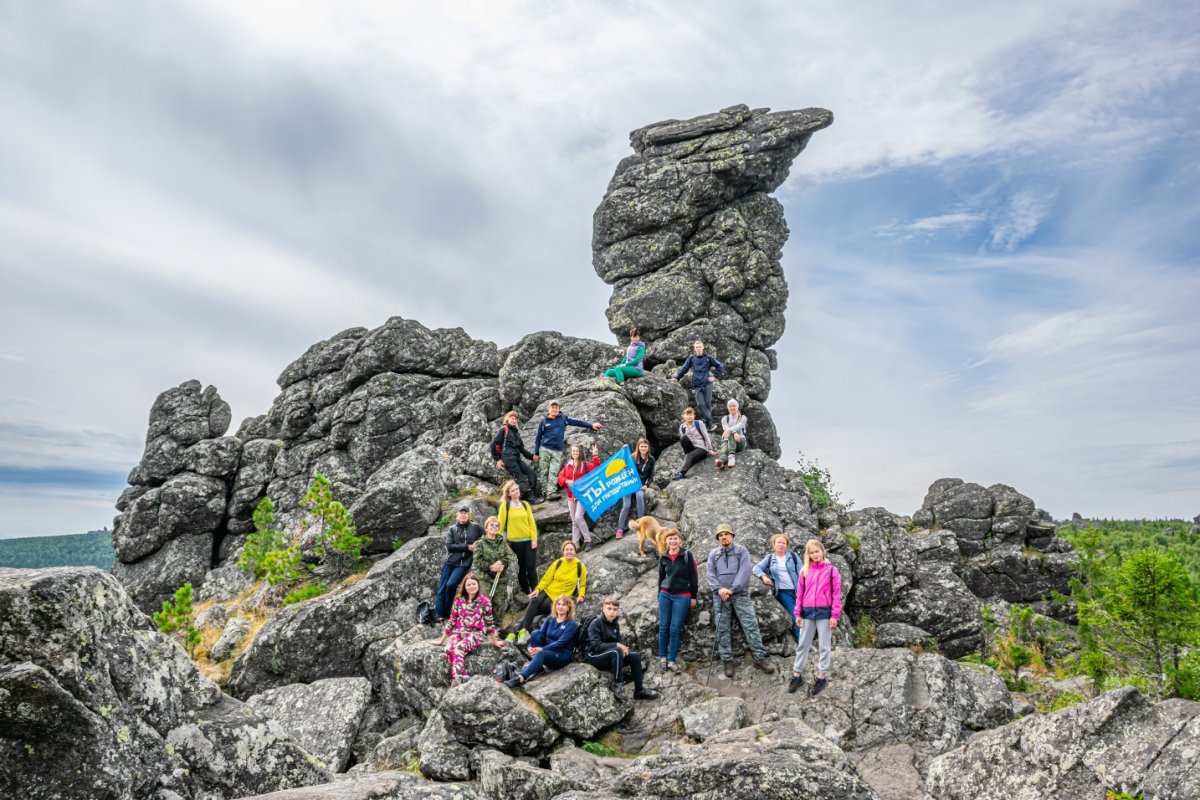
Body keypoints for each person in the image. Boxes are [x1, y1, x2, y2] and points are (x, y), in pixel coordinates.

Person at [707, 523, 776, 677]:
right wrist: (720, 589)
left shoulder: (741, 550)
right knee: (722, 628)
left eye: (726, 534)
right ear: (718, 538)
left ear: (732, 535)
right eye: (720, 535)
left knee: (750, 625)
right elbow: (710, 574)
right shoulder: (713, 554)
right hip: (720, 596)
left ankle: (760, 657)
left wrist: (731, 589)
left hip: (739, 595)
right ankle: (727, 660)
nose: (724, 537)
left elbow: (744, 572)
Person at [429, 573, 504, 686]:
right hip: (460, 632)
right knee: (448, 649)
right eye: (468, 584)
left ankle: (457, 679)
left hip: (476, 633)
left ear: (478, 585)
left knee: (459, 648)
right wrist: (441, 640)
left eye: (474, 584)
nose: (471, 586)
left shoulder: (485, 602)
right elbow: (452, 621)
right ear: (464, 587)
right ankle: (463, 674)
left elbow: (490, 623)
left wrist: (495, 641)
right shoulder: (459, 601)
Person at [789, 539, 843, 697]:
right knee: (803, 644)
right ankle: (797, 675)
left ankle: (822, 677)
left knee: (824, 646)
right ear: (808, 554)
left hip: (824, 613)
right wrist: (797, 613)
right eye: (811, 552)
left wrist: (835, 615)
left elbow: (836, 594)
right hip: (807, 612)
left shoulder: (832, 570)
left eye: (817, 551)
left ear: (822, 551)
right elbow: (799, 594)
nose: (814, 555)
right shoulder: (805, 571)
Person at [583, 596, 659, 699]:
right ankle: (618, 685)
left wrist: (623, 649)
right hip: (593, 656)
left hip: (610, 654)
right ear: (603, 609)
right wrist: (618, 646)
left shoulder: (615, 624)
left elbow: (617, 642)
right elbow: (596, 646)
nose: (612, 612)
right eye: (609, 609)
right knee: (616, 651)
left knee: (634, 656)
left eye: (615, 609)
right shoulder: (595, 623)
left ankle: (639, 691)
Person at [513, 540, 588, 642]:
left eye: (571, 550)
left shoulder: (580, 567)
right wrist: (538, 589)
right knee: (534, 601)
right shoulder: (558, 563)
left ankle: (515, 633)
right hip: (548, 590)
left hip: (559, 596)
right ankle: (524, 631)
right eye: (567, 550)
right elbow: (546, 579)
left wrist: (581, 595)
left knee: (536, 609)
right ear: (563, 551)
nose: (569, 552)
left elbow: (582, 584)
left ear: (575, 552)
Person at [503, 595, 578, 689]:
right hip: (548, 650)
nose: (560, 607)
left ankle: (520, 679)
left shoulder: (571, 624)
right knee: (535, 633)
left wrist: (541, 649)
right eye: (558, 604)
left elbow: (561, 642)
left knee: (541, 653)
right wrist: (530, 646)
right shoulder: (550, 619)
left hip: (562, 654)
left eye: (564, 605)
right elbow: (540, 634)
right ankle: (537, 667)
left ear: (569, 608)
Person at [534, 401, 601, 501]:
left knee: (553, 471)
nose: (554, 409)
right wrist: (536, 453)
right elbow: (538, 437)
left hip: (557, 450)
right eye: (552, 408)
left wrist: (590, 425)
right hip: (545, 449)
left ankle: (551, 492)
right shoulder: (544, 421)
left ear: (559, 409)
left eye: (556, 408)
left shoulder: (563, 418)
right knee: (544, 471)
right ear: (549, 409)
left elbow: (577, 422)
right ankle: (545, 493)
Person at [657, 530, 698, 672]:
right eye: (669, 539)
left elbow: (693, 577)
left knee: (675, 628)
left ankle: (672, 659)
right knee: (663, 627)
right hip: (665, 595)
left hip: (682, 596)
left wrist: (693, 596)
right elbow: (661, 578)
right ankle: (662, 658)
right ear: (666, 541)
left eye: (675, 538)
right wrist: (659, 595)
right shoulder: (663, 557)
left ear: (680, 540)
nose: (672, 541)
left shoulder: (686, 555)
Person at [435, 506, 483, 620]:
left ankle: (447, 612)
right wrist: (467, 547)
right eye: (461, 513)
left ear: (469, 515)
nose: (463, 515)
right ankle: (441, 613)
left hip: (463, 564)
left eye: (465, 513)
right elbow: (449, 546)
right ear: (457, 515)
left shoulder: (475, 527)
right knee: (442, 588)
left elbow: (486, 536)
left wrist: (479, 544)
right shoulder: (452, 529)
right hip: (449, 562)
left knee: (451, 585)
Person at [752, 533, 802, 642]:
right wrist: (764, 577)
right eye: (778, 542)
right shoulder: (770, 558)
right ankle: (803, 645)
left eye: (784, 543)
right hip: (784, 593)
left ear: (786, 545)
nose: (781, 545)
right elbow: (756, 568)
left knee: (805, 617)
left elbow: (802, 572)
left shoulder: (793, 556)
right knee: (795, 617)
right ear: (773, 545)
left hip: (799, 591)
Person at [498, 480, 539, 598]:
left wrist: (534, 539)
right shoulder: (505, 506)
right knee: (521, 568)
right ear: (509, 494)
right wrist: (497, 540)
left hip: (528, 541)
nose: (516, 492)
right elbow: (500, 524)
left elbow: (531, 522)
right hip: (514, 543)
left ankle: (536, 590)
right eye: (513, 490)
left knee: (531, 567)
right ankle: (527, 592)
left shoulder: (525, 504)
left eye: (517, 489)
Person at [491, 410, 543, 503]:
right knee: (521, 478)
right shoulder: (504, 429)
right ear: (507, 419)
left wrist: (532, 457)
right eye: (512, 418)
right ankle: (531, 498)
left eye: (515, 419)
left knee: (531, 472)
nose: (514, 420)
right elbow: (494, 444)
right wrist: (498, 460)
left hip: (516, 458)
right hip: (508, 459)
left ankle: (530, 494)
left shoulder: (516, 433)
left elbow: (522, 449)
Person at [558, 443, 601, 550]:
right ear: (571, 453)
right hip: (570, 497)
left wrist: (595, 456)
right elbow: (560, 478)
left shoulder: (585, 464)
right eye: (573, 451)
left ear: (580, 452)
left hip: (582, 496)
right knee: (574, 522)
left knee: (578, 517)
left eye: (577, 451)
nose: (575, 453)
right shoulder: (568, 465)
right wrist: (566, 481)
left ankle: (588, 541)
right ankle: (575, 546)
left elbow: (597, 468)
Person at [674, 339, 724, 430]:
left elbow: (720, 366)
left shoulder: (708, 358)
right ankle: (710, 423)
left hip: (707, 384)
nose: (698, 349)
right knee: (701, 404)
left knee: (708, 404)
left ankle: (709, 425)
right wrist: (677, 378)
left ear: (703, 347)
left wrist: (715, 376)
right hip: (697, 385)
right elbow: (684, 369)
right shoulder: (691, 359)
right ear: (695, 349)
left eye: (700, 347)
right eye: (697, 347)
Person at [474, 515, 516, 617]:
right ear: (486, 527)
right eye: (491, 525)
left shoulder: (502, 543)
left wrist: (502, 563)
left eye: (496, 526)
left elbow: (510, 556)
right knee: (484, 605)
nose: (494, 527)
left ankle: (496, 629)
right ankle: (482, 627)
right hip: (486, 580)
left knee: (499, 605)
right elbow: (477, 560)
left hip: (500, 579)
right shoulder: (480, 543)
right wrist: (491, 567)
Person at [616, 438, 655, 539]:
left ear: (648, 448)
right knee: (627, 505)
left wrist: (646, 485)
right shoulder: (632, 457)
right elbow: (623, 465)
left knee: (639, 496)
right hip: (629, 484)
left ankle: (641, 524)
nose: (643, 448)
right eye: (641, 446)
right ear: (638, 447)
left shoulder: (651, 459)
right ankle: (619, 529)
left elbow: (651, 477)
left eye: (645, 447)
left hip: (640, 486)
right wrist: (624, 451)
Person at [672, 407, 717, 480]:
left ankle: (681, 473)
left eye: (691, 414)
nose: (689, 416)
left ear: (694, 416)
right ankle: (689, 457)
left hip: (701, 448)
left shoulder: (699, 423)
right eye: (687, 414)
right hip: (691, 448)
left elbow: (706, 437)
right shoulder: (682, 427)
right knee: (683, 438)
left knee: (689, 456)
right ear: (683, 416)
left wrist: (710, 449)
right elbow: (684, 441)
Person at [715, 398, 748, 470]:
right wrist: (734, 432)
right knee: (724, 451)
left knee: (729, 434)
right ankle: (721, 463)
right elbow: (725, 428)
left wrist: (731, 431)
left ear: (737, 407)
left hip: (740, 441)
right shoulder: (725, 419)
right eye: (730, 406)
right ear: (728, 408)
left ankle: (732, 456)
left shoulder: (743, 418)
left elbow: (738, 426)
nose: (732, 407)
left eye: (734, 406)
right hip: (728, 442)